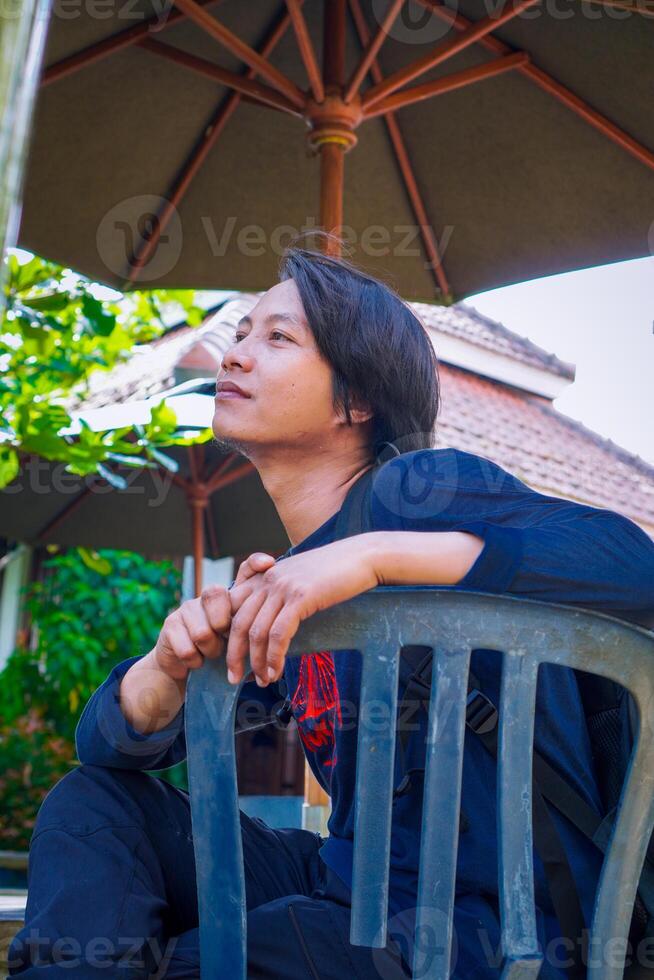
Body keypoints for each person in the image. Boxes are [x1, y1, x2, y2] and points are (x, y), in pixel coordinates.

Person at [9, 235, 654, 979]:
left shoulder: (420, 490)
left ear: (358, 398)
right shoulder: (292, 583)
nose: (237, 352)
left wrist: (373, 557)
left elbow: (632, 564)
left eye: (278, 338)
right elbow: (109, 752)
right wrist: (167, 666)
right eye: (243, 332)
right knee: (95, 807)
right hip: (347, 890)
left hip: (486, 927)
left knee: (234, 951)